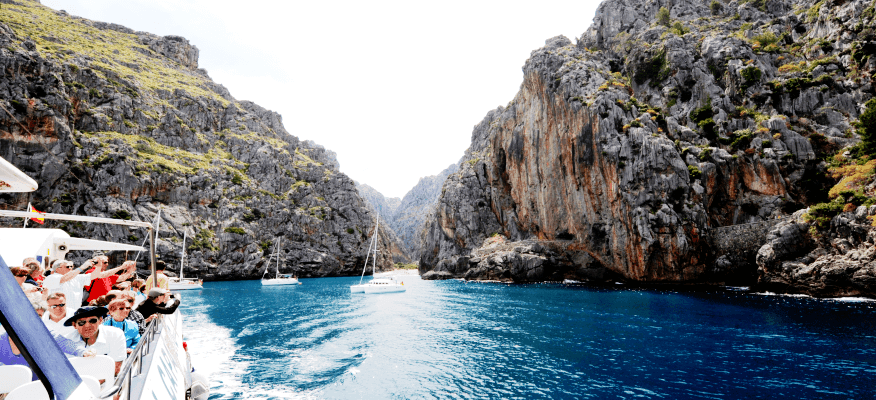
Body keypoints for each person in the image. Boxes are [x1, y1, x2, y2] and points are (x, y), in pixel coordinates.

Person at [62, 306, 127, 375]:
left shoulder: (115, 334)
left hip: (109, 382)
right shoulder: (66, 340)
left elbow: (116, 368)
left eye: (92, 321)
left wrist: (92, 384)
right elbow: (65, 369)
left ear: (100, 320)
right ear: (74, 325)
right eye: (81, 322)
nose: (87, 325)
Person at [43, 259, 133, 308]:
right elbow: (64, 279)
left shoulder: (76, 278)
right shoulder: (51, 278)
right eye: (68, 266)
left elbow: (98, 275)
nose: (70, 268)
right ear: (57, 269)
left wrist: (98, 267)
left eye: (71, 266)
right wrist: (83, 267)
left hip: (74, 311)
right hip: (57, 311)